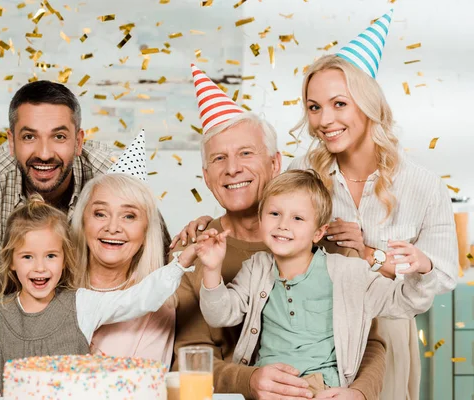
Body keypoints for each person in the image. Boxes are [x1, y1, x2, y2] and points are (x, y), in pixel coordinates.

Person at [170, 65, 386, 400]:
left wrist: (359, 393)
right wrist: (248, 380)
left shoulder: (334, 247)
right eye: (219, 159)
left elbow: (371, 341)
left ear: (275, 163)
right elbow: (189, 356)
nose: (232, 169)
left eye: (246, 153)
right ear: (207, 175)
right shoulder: (191, 254)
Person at [288, 10, 457, 399]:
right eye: (314, 107)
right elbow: (273, 238)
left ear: (366, 104)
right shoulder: (303, 174)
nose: (324, 120)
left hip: (388, 331)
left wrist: (369, 254)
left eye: (339, 104)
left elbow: (443, 274)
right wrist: (320, 244)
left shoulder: (422, 186)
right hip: (312, 332)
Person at [0, 196, 198, 395]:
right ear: (12, 262)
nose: (40, 268)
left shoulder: (83, 304)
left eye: (51, 256)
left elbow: (139, 298)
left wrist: (181, 263)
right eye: (28, 256)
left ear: (65, 259)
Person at [196, 169, 436, 397]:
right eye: (274, 214)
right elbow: (220, 316)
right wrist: (212, 268)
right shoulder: (256, 268)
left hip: (324, 389)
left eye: (298, 218)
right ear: (260, 220)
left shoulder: (348, 273)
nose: (283, 225)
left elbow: (407, 303)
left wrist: (423, 269)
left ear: (318, 232)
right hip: (271, 389)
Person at [0, 80, 115, 381]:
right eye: (29, 137)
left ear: (78, 141)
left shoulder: (113, 175)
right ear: (11, 142)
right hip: (13, 350)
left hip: (105, 345)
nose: (45, 153)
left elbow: (154, 252)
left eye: (59, 136)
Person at [69, 132, 176, 366]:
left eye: (129, 216)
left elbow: (144, 386)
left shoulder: (157, 306)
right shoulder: (51, 287)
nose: (113, 227)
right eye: (100, 213)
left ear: (146, 231)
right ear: (83, 221)